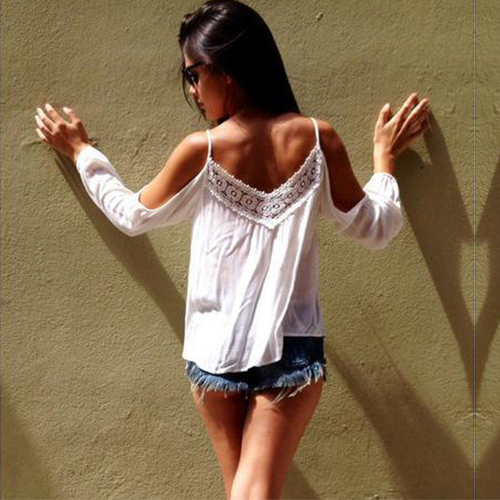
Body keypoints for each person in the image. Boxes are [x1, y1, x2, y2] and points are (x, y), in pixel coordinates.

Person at [34, 1, 429, 498]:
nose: (193, 91)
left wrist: (82, 152)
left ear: (227, 69)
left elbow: (132, 215)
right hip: (287, 351)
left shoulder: (203, 149)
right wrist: (384, 163)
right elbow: (375, 227)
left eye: (194, 75)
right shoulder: (316, 139)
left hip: (216, 353)